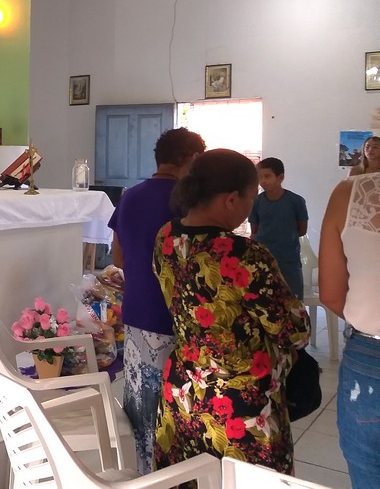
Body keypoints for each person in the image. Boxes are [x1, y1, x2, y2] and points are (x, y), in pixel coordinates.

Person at [152, 149, 310, 479]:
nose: (251, 207)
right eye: (251, 198)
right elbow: (295, 330)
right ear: (231, 199)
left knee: (190, 478)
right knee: (245, 480)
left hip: (183, 390)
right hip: (239, 403)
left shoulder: (166, 236)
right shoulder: (243, 254)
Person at [107, 127, 205, 474]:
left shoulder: (130, 196)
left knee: (141, 406)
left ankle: (141, 473)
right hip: (175, 318)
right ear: (193, 159)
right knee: (176, 410)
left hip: (137, 313)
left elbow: (118, 257)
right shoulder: (186, 201)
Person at [319, 172, 380, 489]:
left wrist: (368, 316)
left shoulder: (350, 193)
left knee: (370, 473)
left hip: (371, 356)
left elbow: (331, 294)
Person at [248, 157, 308, 299]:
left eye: (267, 176)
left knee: (293, 299)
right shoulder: (256, 202)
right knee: (265, 299)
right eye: (259, 177)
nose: (263, 181)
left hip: (289, 261)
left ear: (280, 177)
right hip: (263, 260)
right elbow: (254, 231)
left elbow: (302, 230)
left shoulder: (296, 201)